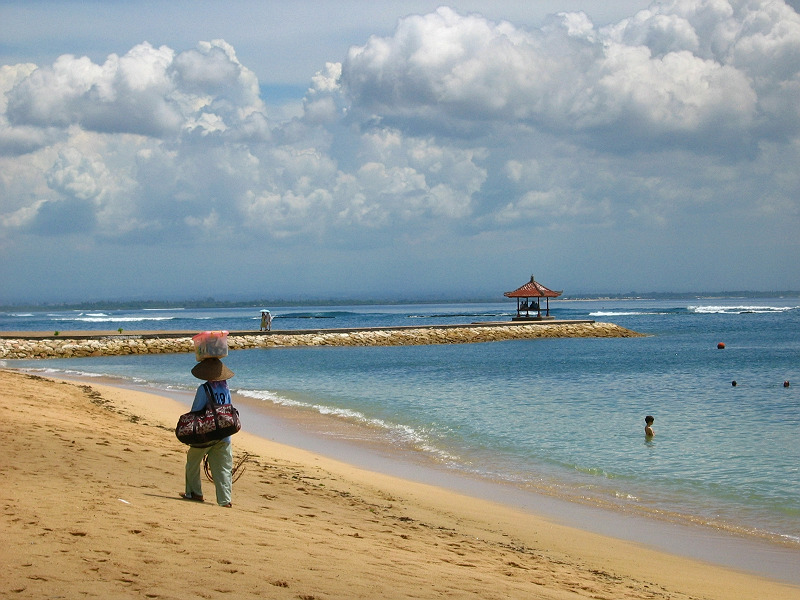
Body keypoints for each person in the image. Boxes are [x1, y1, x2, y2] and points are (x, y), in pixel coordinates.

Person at [181, 357, 235, 507]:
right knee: (223, 468)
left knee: (192, 461)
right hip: (224, 434)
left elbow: (196, 410)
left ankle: (194, 492)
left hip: (206, 433)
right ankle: (225, 500)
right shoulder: (226, 388)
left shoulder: (204, 389)